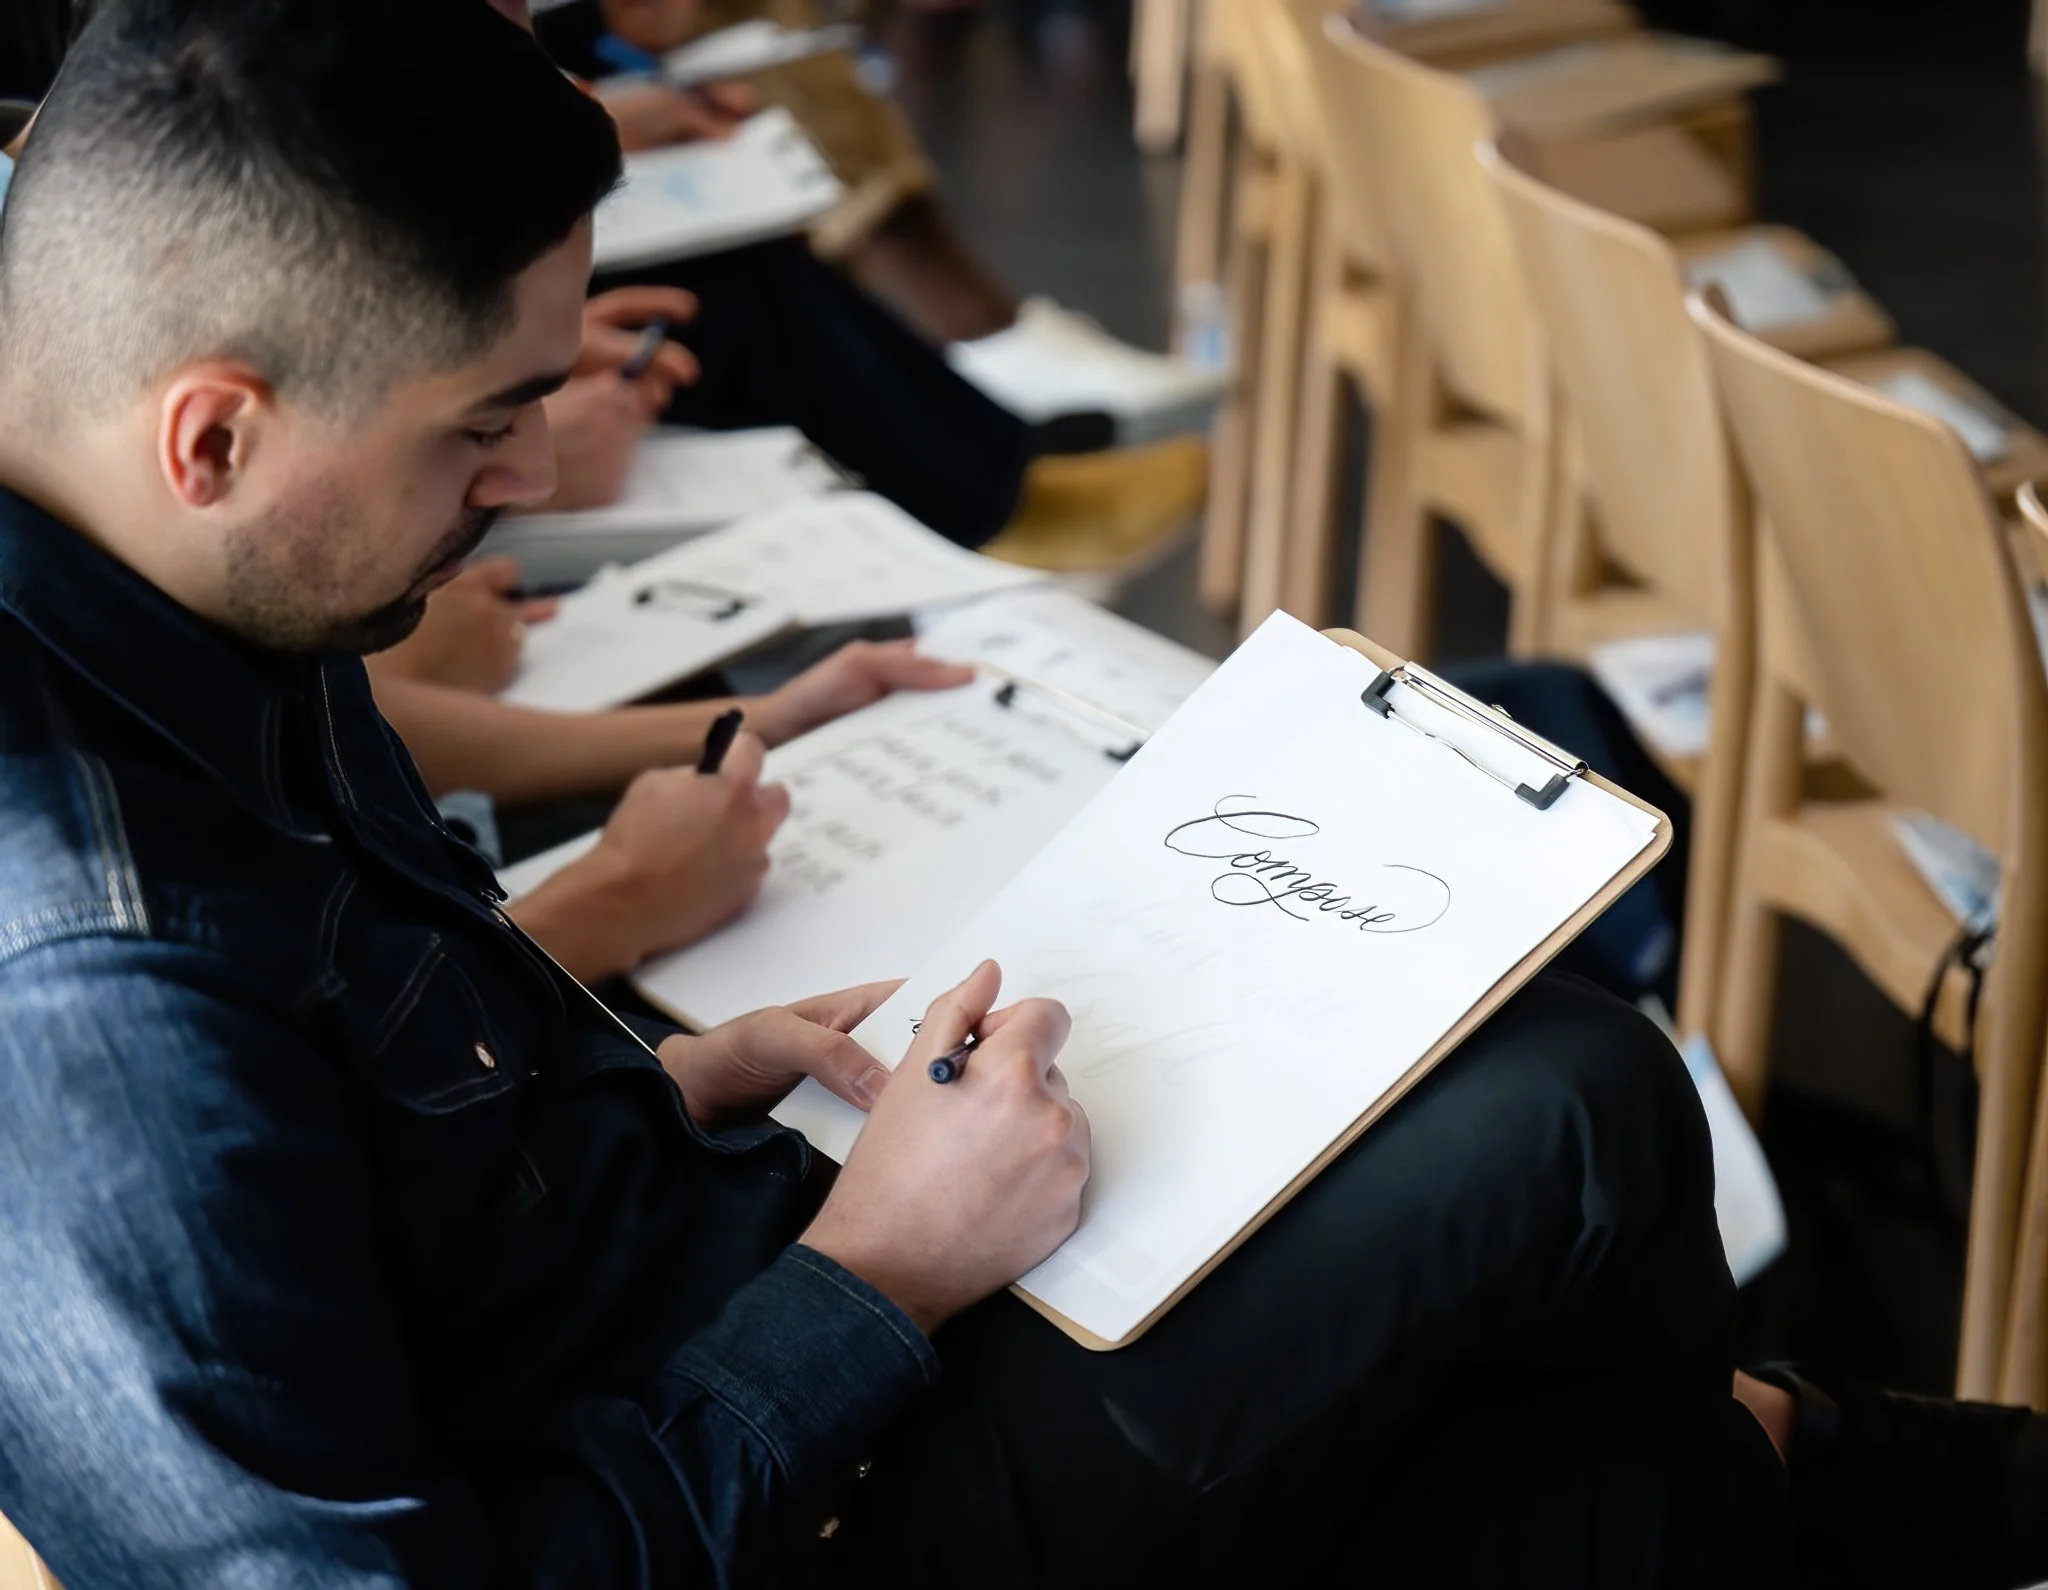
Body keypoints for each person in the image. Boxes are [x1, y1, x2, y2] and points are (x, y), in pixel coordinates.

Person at [12, 2, 1981, 1586]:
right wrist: (877, 1278)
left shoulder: (202, 605)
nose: (529, 479)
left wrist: (627, 1079)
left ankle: (1769, 1474)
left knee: (1543, 1262)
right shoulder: (85, 983)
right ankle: (1797, 1464)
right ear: (213, 433)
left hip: (693, 1304)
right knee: (1573, 1115)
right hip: (750, 1466)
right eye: (488, 421)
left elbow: (361, 1110)